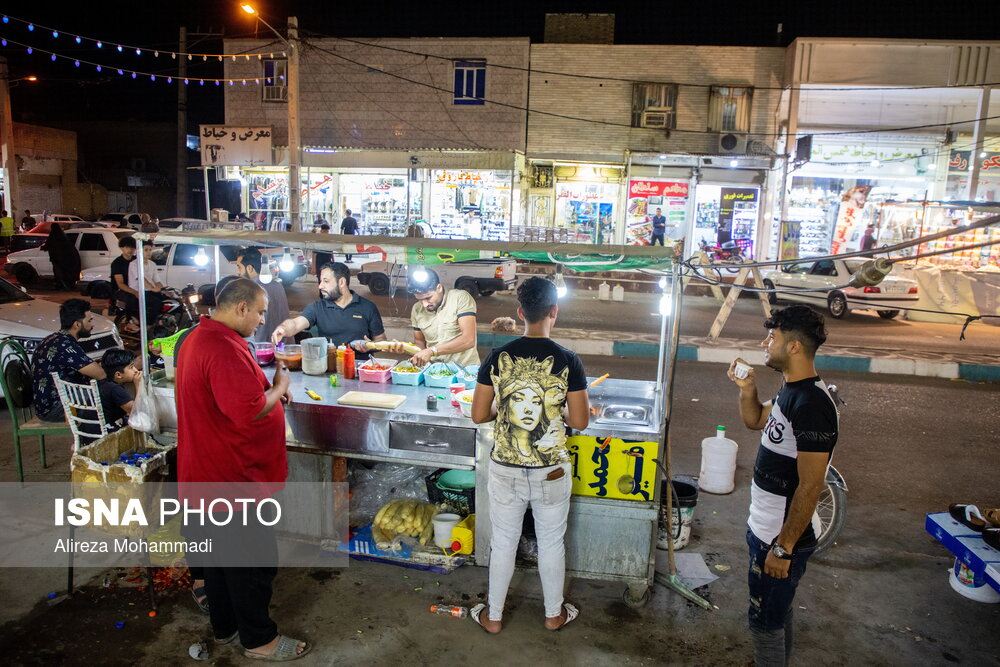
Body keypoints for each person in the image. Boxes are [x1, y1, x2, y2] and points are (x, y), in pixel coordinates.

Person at [175, 278, 311, 660]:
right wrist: (280, 381)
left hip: (210, 474)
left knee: (220, 563)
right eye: (260, 312)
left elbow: (237, 396)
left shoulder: (201, 337)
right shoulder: (220, 347)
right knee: (252, 564)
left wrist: (266, 389)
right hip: (234, 479)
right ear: (241, 308)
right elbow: (247, 410)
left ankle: (226, 627)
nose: (262, 320)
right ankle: (260, 640)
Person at [469, 276, 590, 634]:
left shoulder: (496, 356)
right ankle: (554, 614)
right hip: (550, 470)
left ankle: (493, 616)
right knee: (551, 542)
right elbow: (580, 421)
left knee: (503, 541)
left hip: (505, 468)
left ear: (520, 312)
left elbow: (478, 414)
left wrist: (503, 411)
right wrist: (559, 413)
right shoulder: (568, 359)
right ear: (555, 311)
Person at [727, 304, 839, 667]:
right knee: (777, 613)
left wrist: (784, 548)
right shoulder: (792, 390)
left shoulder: (811, 403)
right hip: (764, 529)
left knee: (764, 624)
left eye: (771, 338)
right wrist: (748, 388)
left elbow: (811, 484)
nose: (765, 343)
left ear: (793, 347)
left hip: (779, 538)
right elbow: (756, 419)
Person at [270, 261, 386, 356]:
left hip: (360, 370)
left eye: (326, 281)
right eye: (321, 281)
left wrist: (370, 347)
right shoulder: (317, 308)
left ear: (341, 282)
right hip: (328, 369)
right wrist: (283, 329)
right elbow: (296, 324)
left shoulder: (367, 307)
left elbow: (381, 340)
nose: (320, 286)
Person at [31, 299, 107, 422]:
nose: (92, 325)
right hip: (55, 408)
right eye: (89, 320)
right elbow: (101, 374)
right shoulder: (65, 345)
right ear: (77, 324)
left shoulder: (53, 339)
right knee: (109, 391)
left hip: (46, 404)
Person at [389, 268, 478, 367]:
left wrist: (432, 351)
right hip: (435, 372)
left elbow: (469, 340)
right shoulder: (417, 309)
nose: (424, 304)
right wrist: (405, 348)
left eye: (428, 298)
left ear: (439, 287)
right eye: (419, 299)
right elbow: (420, 344)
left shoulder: (460, 298)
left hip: (465, 372)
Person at [235, 247, 290, 344]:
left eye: (239, 267)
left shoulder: (250, 290)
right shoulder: (278, 285)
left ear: (250, 268)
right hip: (283, 347)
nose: (237, 272)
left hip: (261, 350)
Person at [97, 348, 142, 430]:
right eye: (131, 367)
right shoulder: (114, 389)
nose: (136, 370)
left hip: (95, 426)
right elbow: (136, 411)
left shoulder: (105, 382)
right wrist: (138, 385)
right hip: (107, 429)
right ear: (118, 375)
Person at [128, 242, 165, 327]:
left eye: (150, 250)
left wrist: (163, 289)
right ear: (139, 251)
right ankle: (148, 326)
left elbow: (157, 280)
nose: (149, 252)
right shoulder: (134, 264)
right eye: (146, 250)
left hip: (149, 290)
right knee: (156, 303)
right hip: (139, 291)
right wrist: (152, 288)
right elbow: (141, 279)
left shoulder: (152, 264)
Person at [110, 236, 139, 333]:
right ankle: (129, 320)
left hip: (136, 288)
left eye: (132, 247)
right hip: (122, 290)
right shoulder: (117, 263)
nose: (130, 250)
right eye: (127, 247)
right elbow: (120, 284)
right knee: (132, 299)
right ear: (122, 248)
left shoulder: (137, 260)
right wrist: (135, 292)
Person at [41, 223, 82, 290]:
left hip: (57, 258)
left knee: (58, 272)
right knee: (65, 271)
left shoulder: (53, 236)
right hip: (65, 258)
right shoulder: (63, 236)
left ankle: (60, 284)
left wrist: (44, 248)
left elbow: (48, 245)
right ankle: (65, 284)